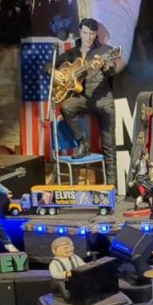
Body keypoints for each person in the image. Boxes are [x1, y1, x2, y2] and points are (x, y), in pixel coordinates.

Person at [54, 18, 121, 185]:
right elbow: (49, 65)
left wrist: (105, 66)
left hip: (103, 98)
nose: (88, 37)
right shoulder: (72, 53)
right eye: (85, 32)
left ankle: (111, 187)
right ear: (80, 32)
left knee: (108, 144)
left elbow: (112, 69)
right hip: (84, 98)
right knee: (67, 106)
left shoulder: (105, 50)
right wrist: (52, 72)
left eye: (92, 33)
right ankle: (82, 143)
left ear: (96, 34)